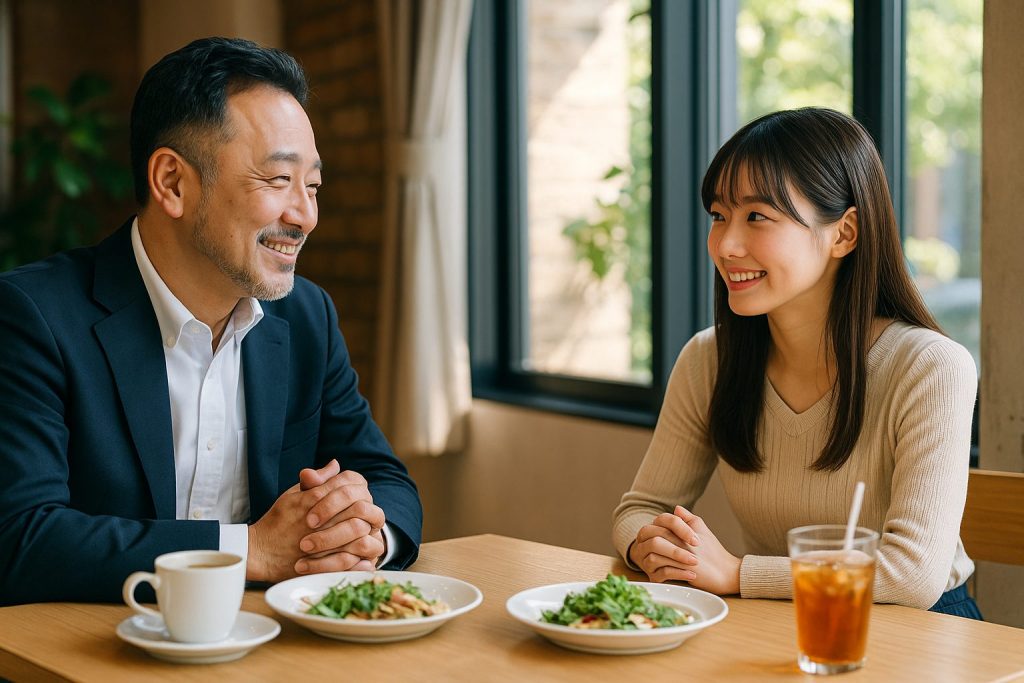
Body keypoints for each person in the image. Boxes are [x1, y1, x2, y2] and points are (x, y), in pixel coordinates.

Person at [0, 37, 422, 605]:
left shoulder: (305, 317)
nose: (305, 216)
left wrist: (364, 535)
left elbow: (385, 478)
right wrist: (252, 549)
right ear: (173, 182)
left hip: (270, 645)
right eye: (278, 181)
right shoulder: (33, 315)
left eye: (313, 186)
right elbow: (21, 537)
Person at [613, 107, 981, 618]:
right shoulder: (709, 359)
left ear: (844, 233)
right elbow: (640, 509)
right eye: (720, 216)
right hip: (778, 618)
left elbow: (912, 575)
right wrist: (652, 547)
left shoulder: (931, 368)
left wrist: (739, 573)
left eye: (757, 216)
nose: (726, 245)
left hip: (919, 630)